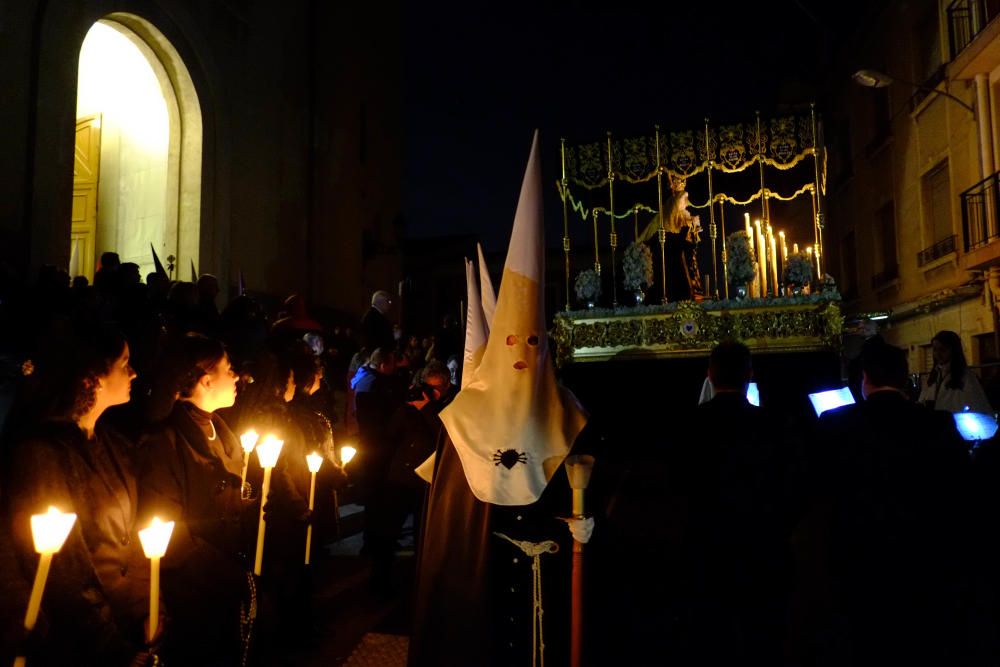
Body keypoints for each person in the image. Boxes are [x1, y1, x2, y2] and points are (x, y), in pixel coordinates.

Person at [808, 340, 973, 665]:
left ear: (864, 378)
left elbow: (819, 487)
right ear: (904, 378)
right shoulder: (937, 423)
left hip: (858, 552)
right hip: (922, 552)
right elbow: (959, 485)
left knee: (865, 638)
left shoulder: (834, 423)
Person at [3, 327, 157, 665]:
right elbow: (64, 568)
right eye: (124, 363)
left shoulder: (111, 443)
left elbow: (130, 540)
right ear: (94, 377)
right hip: (76, 643)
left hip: (125, 624)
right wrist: (111, 646)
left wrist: (148, 607)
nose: (134, 372)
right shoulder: (43, 455)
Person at [659, 341, 798, 664]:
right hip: (764, 549)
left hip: (705, 549)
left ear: (709, 375)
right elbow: (793, 486)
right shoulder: (775, 424)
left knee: (710, 638)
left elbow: (675, 486)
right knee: (764, 639)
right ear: (750, 375)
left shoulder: (687, 424)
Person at [138, 333, 253, 666]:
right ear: (205, 380)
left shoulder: (222, 431)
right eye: (229, 369)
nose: (237, 377)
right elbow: (168, 529)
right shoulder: (165, 442)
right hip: (192, 596)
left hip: (224, 588)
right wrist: (224, 571)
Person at [638, 175, 702, 301]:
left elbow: (691, 244)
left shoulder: (685, 217)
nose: (686, 203)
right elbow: (678, 241)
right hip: (674, 268)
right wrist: (688, 230)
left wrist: (694, 229)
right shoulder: (668, 222)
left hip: (686, 265)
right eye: (684, 200)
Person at [918, 330, 992, 414]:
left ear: (953, 350)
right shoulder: (934, 375)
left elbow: (976, 404)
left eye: (942, 350)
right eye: (935, 350)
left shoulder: (965, 376)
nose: (937, 354)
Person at [360, 290, 395, 355]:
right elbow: (373, 339)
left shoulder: (374, 316)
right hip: (376, 356)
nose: (389, 304)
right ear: (380, 302)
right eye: (388, 301)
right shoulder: (372, 317)